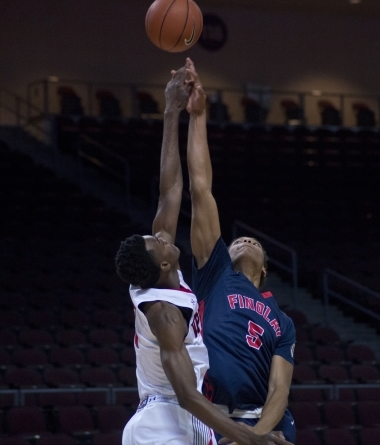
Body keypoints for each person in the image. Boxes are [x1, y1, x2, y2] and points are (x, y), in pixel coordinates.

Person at [115, 63, 292, 445]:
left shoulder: (163, 275)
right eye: (159, 242)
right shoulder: (166, 311)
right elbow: (187, 395)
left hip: (193, 421)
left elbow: (169, 190)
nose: (164, 236)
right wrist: (252, 439)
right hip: (170, 416)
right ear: (163, 262)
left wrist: (172, 111)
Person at [184, 58, 297, 444]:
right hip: (209, 416)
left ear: (264, 269)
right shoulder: (216, 274)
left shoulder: (282, 321)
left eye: (255, 243)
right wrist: (198, 119)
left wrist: (255, 437)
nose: (245, 240)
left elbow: (279, 391)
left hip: (258, 423)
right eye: (237, 240)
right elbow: (201, 189)